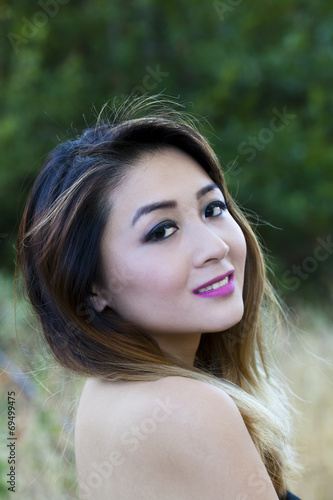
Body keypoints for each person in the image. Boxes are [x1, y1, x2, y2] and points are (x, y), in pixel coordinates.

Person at [16, 97, 302, 500]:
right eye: (161, 231)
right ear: (92, 288)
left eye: (213, 208)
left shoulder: (106, 392)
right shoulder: (188, 408)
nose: (215, 246)